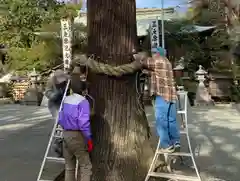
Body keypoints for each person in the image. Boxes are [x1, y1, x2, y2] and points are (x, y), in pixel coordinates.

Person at [134, 47, 180, 153]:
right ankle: (176, 141)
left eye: (154, 53)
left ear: (157, 54)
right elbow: (155, 74)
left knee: (161, 120)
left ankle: (166, 145)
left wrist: (136, 55)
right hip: (171, 96)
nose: (153, 55)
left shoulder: (158, 60)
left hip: (162, 95)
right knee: (171, 120)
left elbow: (143, 61)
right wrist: (145, 71)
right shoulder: (166, 62)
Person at [58, 75, 93, 181]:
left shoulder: (66, 99)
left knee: (69, 167)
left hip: (65, 134)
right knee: (86, 166)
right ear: (84, 90)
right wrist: (89, 139)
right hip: (77, 135)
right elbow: (83, 123)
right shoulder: (83, 102)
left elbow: (60, 117)